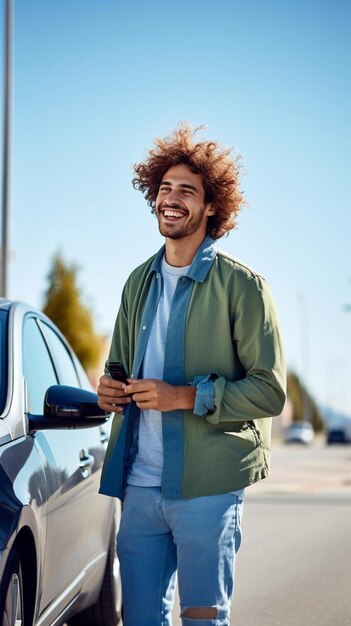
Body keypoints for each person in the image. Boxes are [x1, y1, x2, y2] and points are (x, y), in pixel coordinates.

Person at [97, 124, 286, 626]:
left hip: (208, 488)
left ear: (210, 208)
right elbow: (117, 366)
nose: (172, 199)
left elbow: (270, 392)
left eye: (187, 191)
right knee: (139, 619)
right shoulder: (137, 281)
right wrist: (109, 391)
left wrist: (183, 396)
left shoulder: (243, 286)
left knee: (202, 619)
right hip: (139, 486)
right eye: (164, 189)